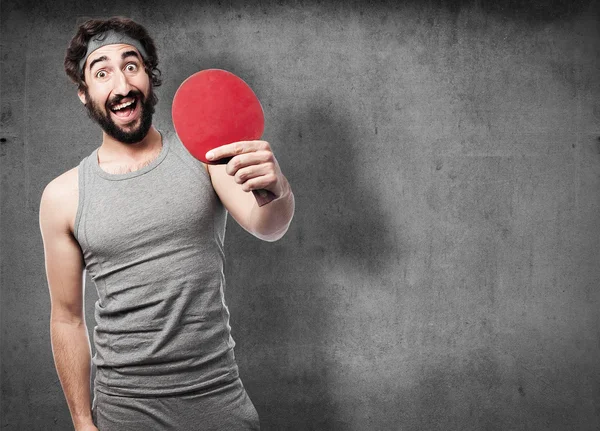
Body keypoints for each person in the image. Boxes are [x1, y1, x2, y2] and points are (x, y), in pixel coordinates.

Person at [38, 16, 294, 431]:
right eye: (101, 72)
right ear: (84, 94)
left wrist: (278, 188)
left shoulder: (203, 154)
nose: (121, 85)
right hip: (124, 414)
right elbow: (66, 318)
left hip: (219, 404)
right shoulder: (63, 197)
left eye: (131, 66)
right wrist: (82, 423)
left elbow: (268, 224)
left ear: (150, 78)